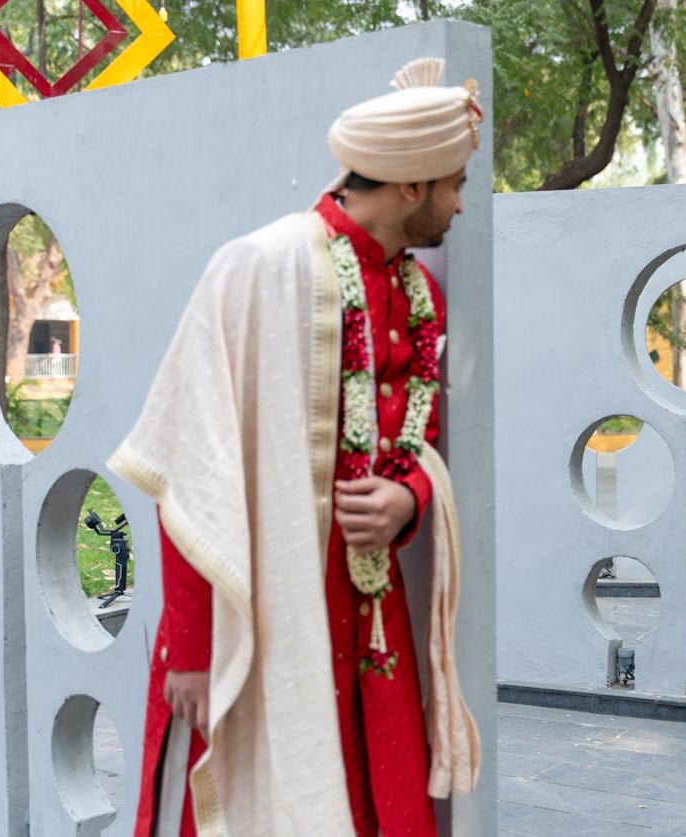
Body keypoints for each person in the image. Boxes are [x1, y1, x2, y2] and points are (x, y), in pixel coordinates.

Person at [109, 57, 482, 835]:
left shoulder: (419, 295)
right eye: (454, 185)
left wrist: (409, 498)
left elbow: (420, 440)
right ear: (411, 185)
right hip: (261, 621)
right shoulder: (261, 266)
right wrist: (193, 650)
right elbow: (188, 460)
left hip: (370, 625)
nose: (458, 204)